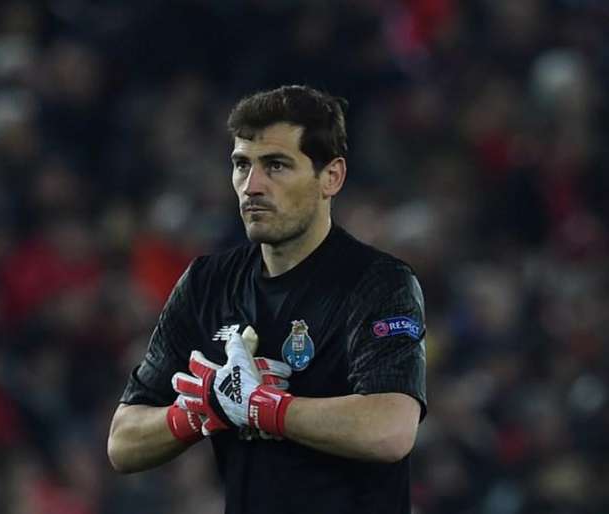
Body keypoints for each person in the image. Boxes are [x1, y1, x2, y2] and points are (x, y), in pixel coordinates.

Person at [108, 85, 427, 514]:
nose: (252, 186)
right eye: (242, 165)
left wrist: (266, 408)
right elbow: (123, 442)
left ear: (331, 177)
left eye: (276, 165)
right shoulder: (208, 284)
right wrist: (203, 409)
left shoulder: (378, 283)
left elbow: (390, 429)